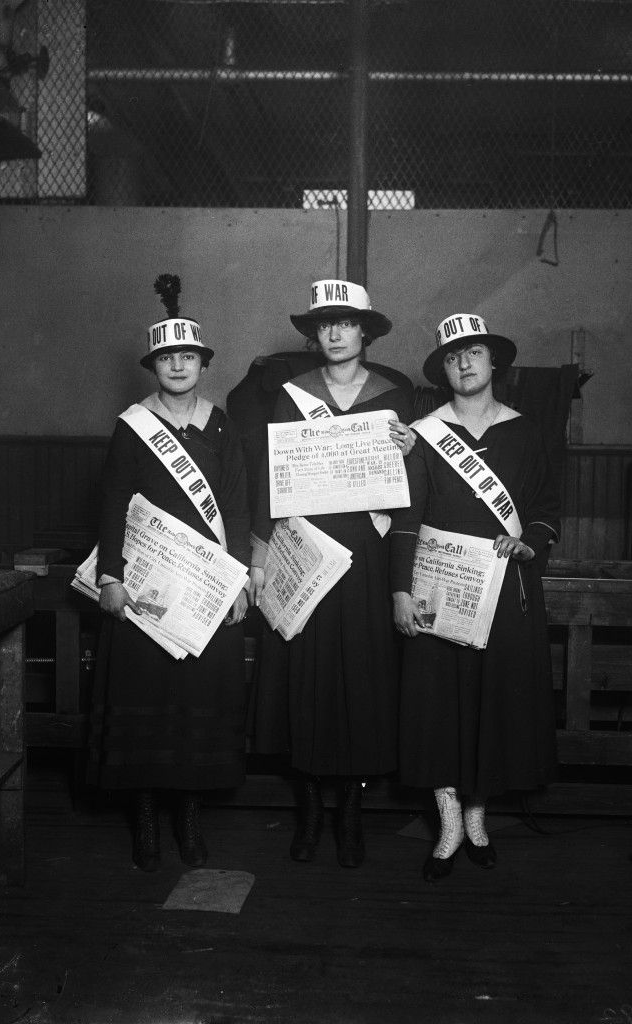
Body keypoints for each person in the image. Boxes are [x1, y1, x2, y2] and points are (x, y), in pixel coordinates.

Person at [249, 279, 415, 868]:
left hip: (367, 558)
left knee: (363, 681)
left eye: (347, 323)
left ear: (365, 332)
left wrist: (412, 447)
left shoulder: (399, 394)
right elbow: (270, 485)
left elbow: (413, 491)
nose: (336, 333)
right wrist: (262, 555)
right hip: (307, 550)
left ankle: (351, 811)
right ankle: (311, 809)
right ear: (315, 335)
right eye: (325, 325)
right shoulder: (290, 394)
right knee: (307, 678)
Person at [87, 274, 250, 872]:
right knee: (147, 701)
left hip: (205, 586)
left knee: (196, 702)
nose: (178, 365)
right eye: (167, 357)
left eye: (188, 356)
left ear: (202, 365)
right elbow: (111, 503)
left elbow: (235, 505)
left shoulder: (222, 423)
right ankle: (148, 817)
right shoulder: (132, 426)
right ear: (153, 366)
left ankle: (189, 815)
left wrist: (238, 581)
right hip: (146, 584)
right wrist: (110, 576)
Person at [391, 312, 560, 882]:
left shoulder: (526, 431)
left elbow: (545, 512)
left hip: (503, 593)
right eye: (452, 356)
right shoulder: (424, 434)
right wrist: (400, 590)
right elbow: (407, 521)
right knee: (438, 704)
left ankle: (478, 818)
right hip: (439, 588)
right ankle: (448, 823)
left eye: (475, 353)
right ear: (442, 369)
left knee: (492, 704)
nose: (464, 363)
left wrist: (530, 545)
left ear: (494, 363)